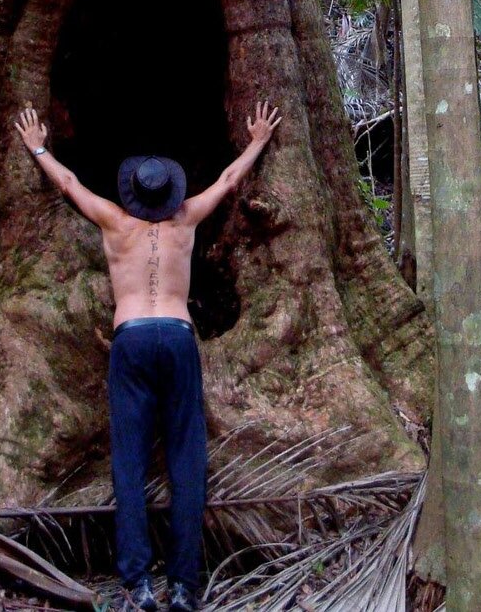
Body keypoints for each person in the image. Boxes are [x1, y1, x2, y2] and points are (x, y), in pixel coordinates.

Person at [14, 101, 283, 612]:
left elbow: (70, 185)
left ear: (132, 192)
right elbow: (228, 181)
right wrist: (258, 141)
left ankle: (137, 585)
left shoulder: (114, 221)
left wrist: (38, 147)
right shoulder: (186, 221)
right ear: (171, 193)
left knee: (130, 460)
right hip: (178, 336)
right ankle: (183, 586)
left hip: (132, 337)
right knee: (186, 460)